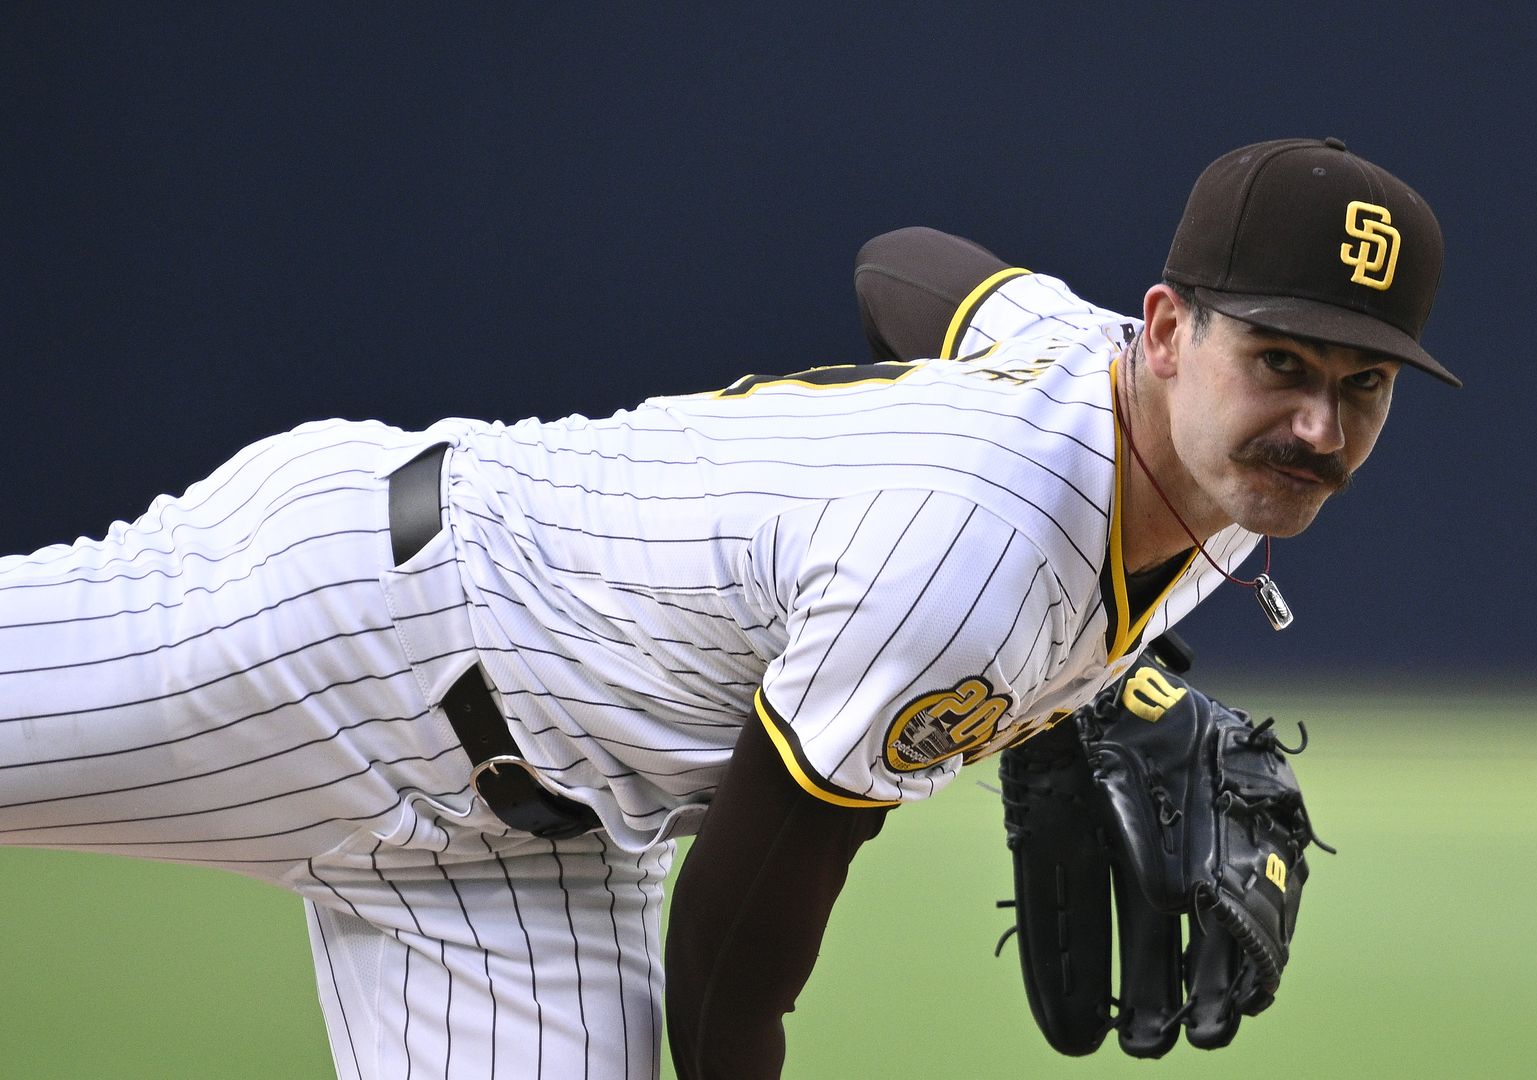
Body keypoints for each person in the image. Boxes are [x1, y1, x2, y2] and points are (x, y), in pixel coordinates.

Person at [0, 137, 1457, 1079]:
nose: (1318, 427)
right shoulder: (971, 558)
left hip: (537, 857)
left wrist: (1110, 686)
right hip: (342, 629)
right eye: (1280, 363)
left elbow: (904, 267)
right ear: (1169, 329)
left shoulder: (1124, 391)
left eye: (1363, 385)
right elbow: (738, 945)